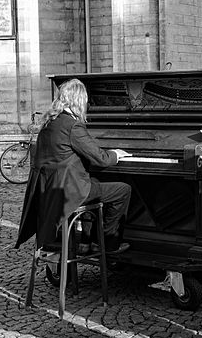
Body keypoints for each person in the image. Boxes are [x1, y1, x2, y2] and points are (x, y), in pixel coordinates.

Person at [15, 78, 131, 253]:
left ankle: (86, 241)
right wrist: (115, 154)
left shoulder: (49, 122)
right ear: (79, 100)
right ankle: (107, 243)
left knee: (96, 182)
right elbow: (102, 159)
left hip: (51, 191)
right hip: (69, 191)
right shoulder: (73, 125)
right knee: (123, 190)